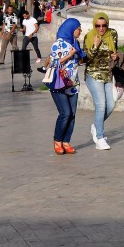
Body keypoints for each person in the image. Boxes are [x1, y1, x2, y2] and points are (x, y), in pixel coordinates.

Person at [45, 18, 84, 155]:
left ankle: (66, 141)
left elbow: (79, 62)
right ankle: (57, 140)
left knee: (72, 114)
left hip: (73, 84)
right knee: (65, 113)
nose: (80, 30)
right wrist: (71, 54)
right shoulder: (58, 44)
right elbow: (54, 63)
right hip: (59, 84)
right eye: (79, 28)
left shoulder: (75, 43)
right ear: (71, 29)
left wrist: (79, 57)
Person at [82, 11, 118, 151]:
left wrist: (115, 56)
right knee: (101, 105)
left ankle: (96, 126)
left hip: (108, 74)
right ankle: (100, 138)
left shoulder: (113, 34)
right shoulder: (90, 36)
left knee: (111, 104)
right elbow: (86, 59)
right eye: (98, 25)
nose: (101, 28)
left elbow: (115, 50)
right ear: (94, 24)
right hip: (93, 74)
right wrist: (95, 46)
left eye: (104, 25)